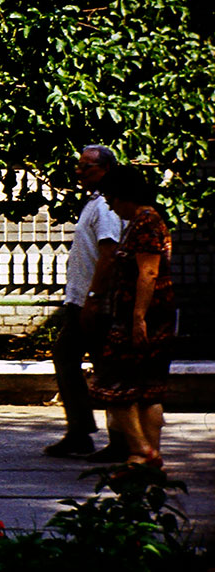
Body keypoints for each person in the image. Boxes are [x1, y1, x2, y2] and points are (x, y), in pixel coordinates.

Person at [86, 165, 176, 470]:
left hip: (140, 320)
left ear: (125, 195)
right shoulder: (144, 220)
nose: (109, 204)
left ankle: (142, 450)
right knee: (147, 391)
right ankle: (145, 458)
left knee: (115, 389)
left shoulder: (145, 222)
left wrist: (138, 319)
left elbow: (148, 272)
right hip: (150, 318)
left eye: (111, 197)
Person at [44, 145, 125, 459]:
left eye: (86, 167)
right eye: (79, 166)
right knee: (66, 358)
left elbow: (109, 253)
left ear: (105, 169)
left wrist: (94, 297)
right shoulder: (94, 201)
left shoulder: (106, 205)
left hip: (96, 302)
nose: (78, 171)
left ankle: (120, 440)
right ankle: (79, 431)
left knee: (106, 369)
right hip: (81, 300)